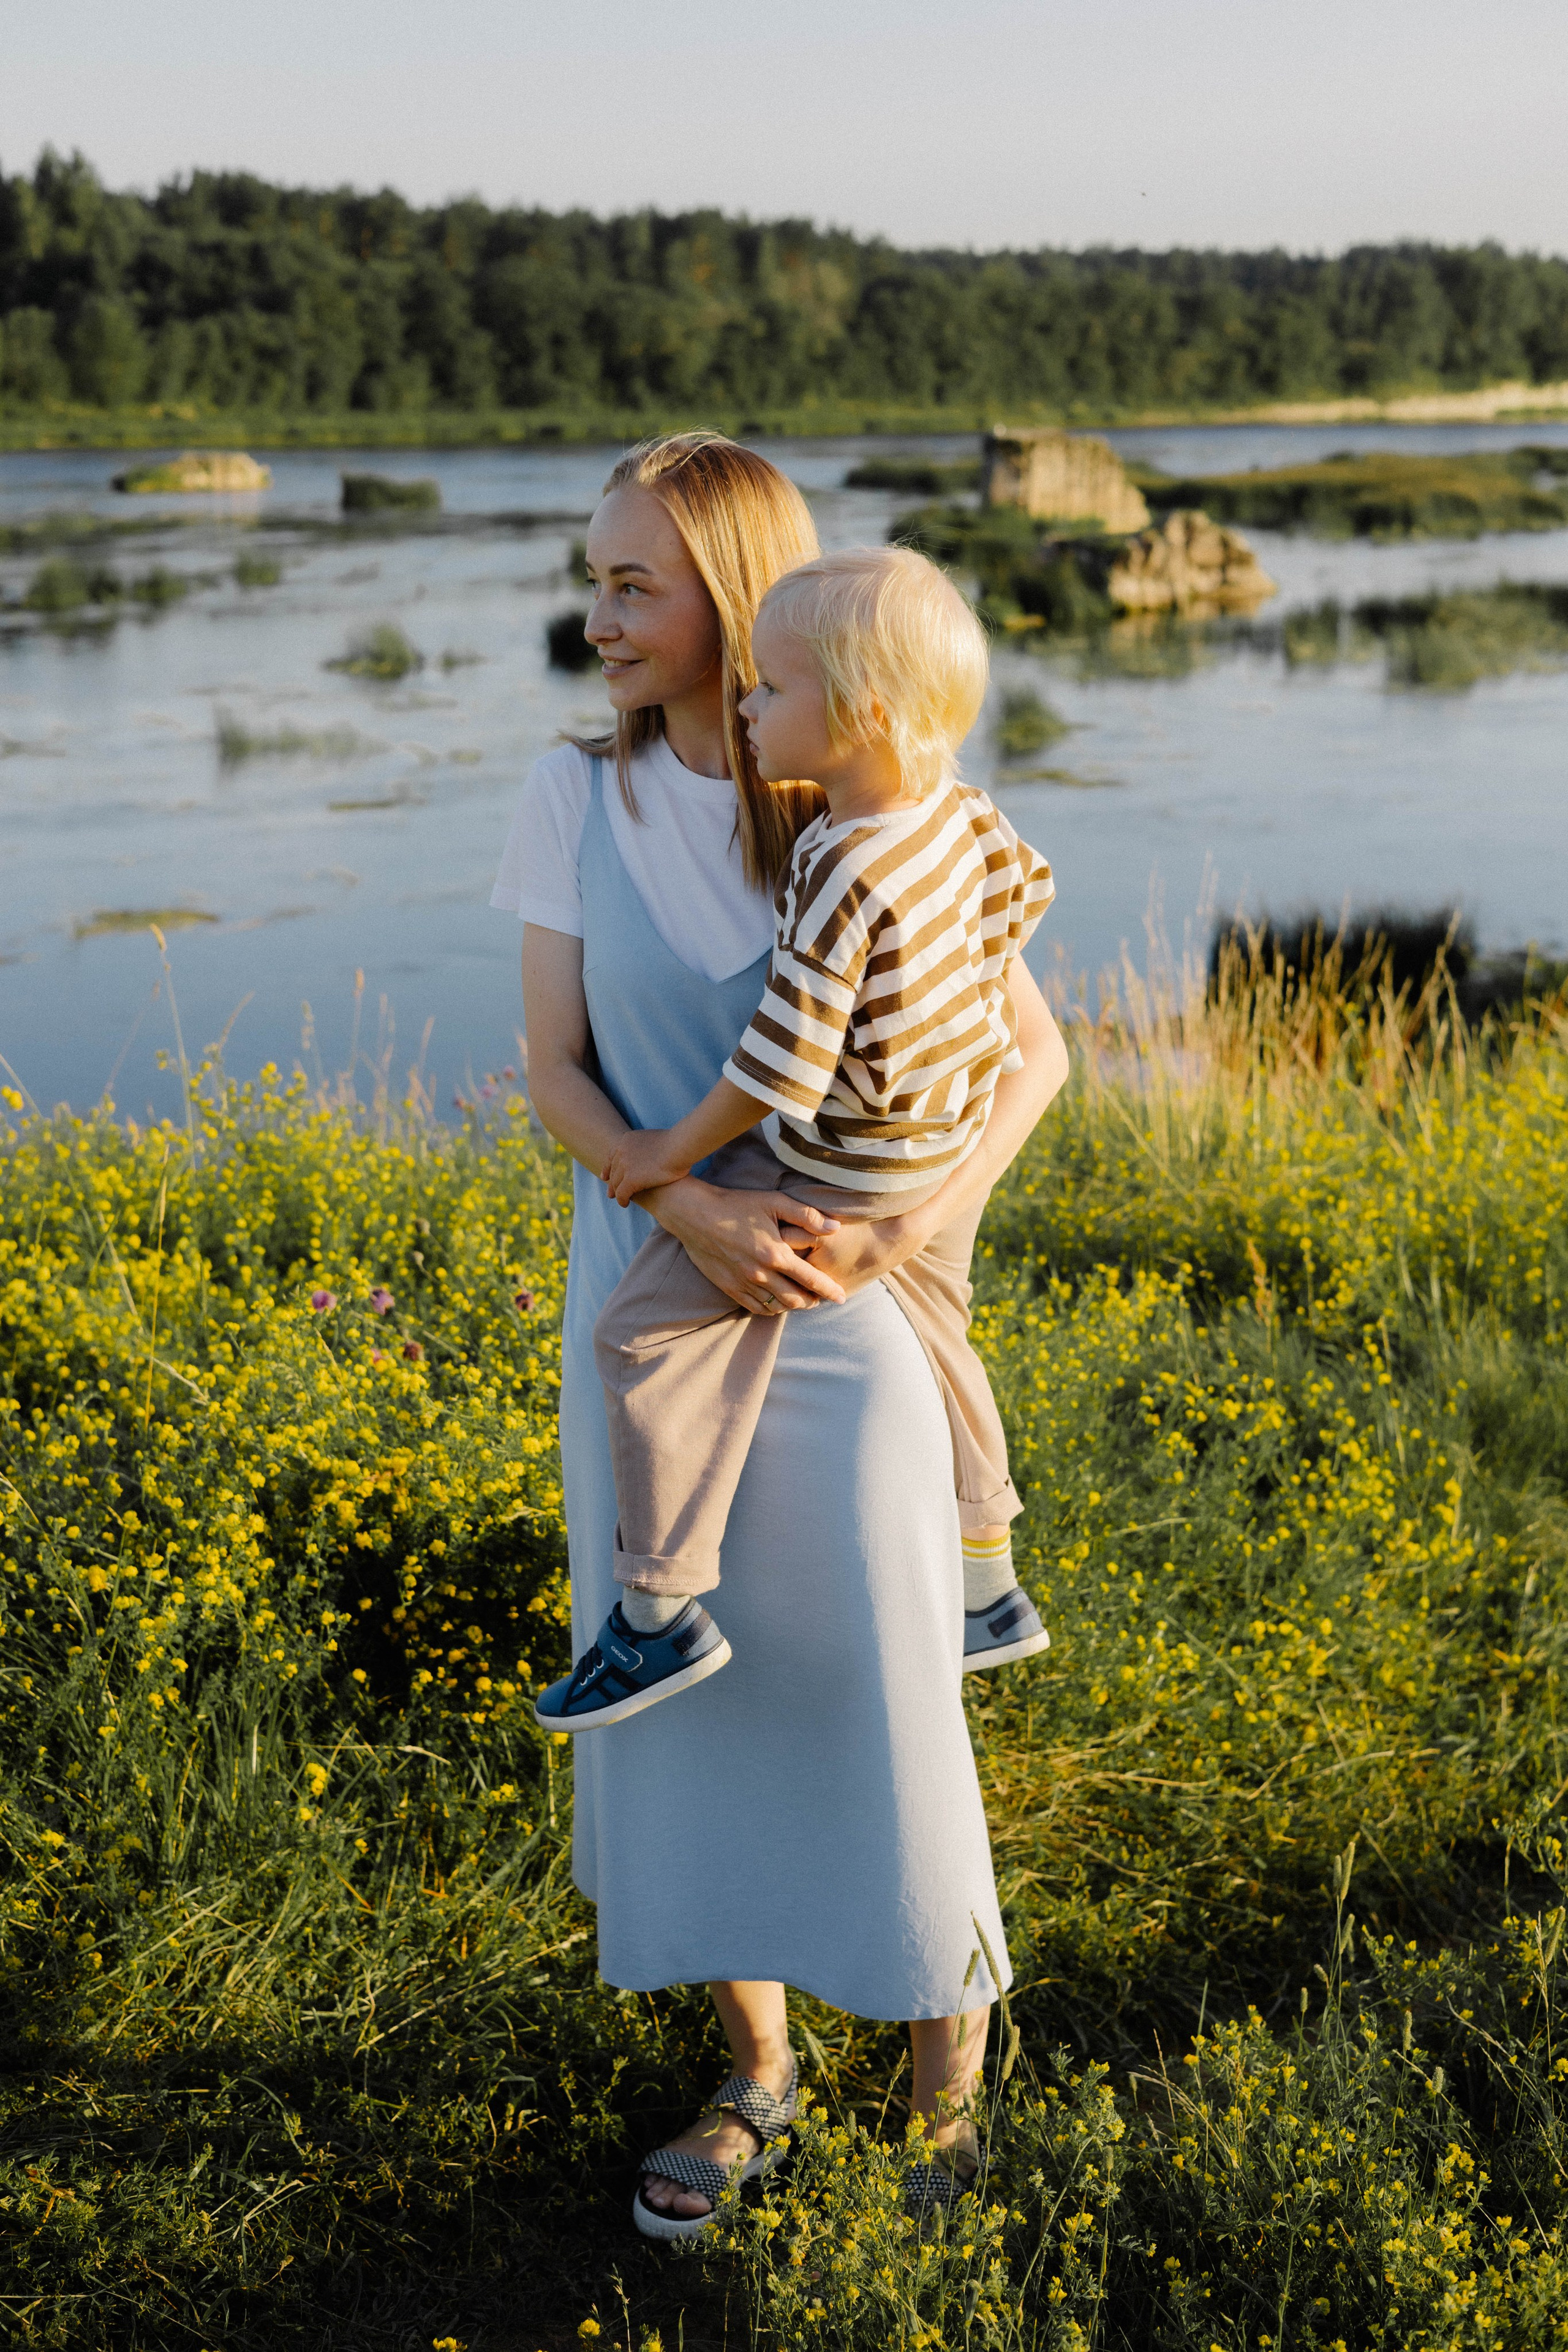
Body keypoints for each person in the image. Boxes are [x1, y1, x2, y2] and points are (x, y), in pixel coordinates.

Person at [494, 432, 1069, 2241]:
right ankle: (757, 2071)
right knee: (688, 1711)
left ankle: (944, 2095)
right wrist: (696, 1212)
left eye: (631, 583)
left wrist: (901, 1223)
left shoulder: (860, 795)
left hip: (850, 1323)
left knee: (887, 1690)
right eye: (595, 579)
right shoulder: (568, 799)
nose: (597, 618)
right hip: (662, 1308)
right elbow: (557, 1081)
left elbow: (1035, 1057)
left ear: (737, 599)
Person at [533, 545, 1054, 1733]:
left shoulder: (832, 859)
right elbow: (1021, 891)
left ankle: (659, 1612)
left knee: (643, 1333)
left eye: (770, 690)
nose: (750, 707)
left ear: (859, 711)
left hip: (841, 1165)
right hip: (939, 1135)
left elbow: (778, 1070)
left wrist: (668, 1155)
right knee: (941, 1338)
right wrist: (946, 1042)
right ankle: (988, 1581)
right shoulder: (958, 808)